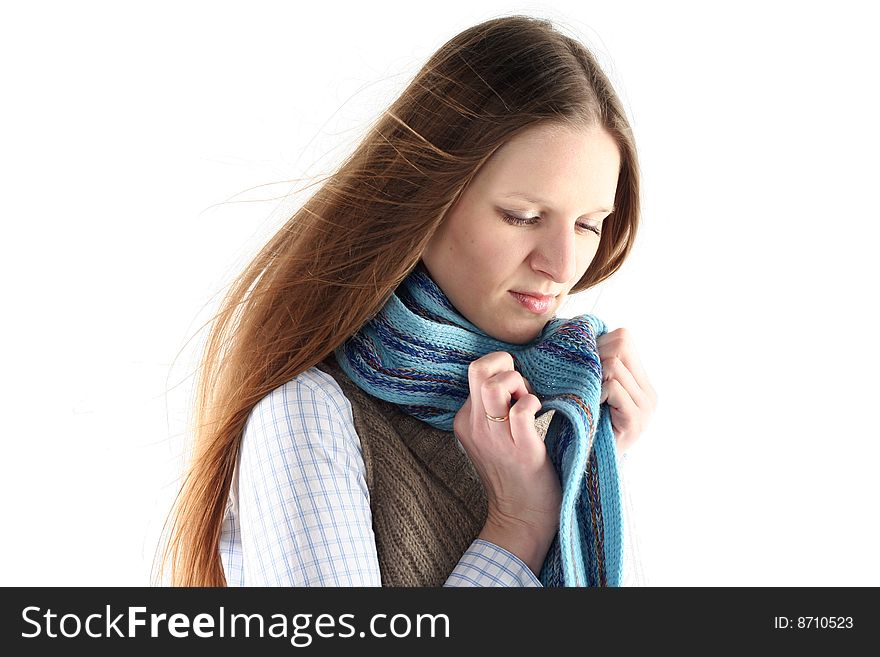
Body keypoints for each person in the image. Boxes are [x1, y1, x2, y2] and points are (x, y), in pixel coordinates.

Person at [158, 14, 657, 587]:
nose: (562, 266)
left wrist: (587, 458)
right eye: (522, 217)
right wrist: (519, 524)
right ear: (427, 200)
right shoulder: (309, 417)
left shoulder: (560, 410)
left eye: (590, 225)